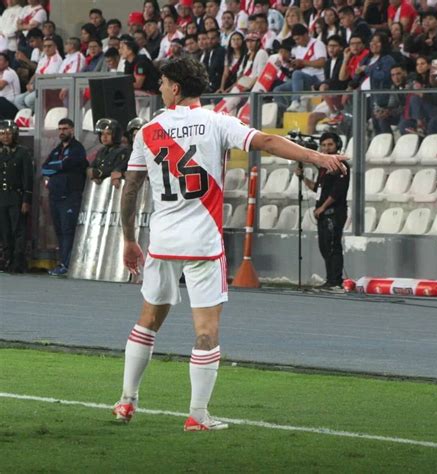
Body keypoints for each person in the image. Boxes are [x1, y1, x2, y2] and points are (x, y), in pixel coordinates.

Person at [112, 56, 347, 428]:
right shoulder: (217, 122)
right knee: (206, 331)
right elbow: (267, 141)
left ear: (175, 87)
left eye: (162, 83)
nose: (158, 88)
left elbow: (131, 189)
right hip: (203, 243)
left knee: (147, 322)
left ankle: (126, 400)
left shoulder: (148, 131)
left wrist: (128, 239)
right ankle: (198, 415)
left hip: (162, 242)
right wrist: (316, 156)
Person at [295, 132, 349, 292]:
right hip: (324, 213)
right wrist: (303, 178)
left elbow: (337, 192)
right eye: (324, 145)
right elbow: (318, 188)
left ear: (337, 145)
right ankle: (330, 280)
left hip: (334, 212)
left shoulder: (340, 165)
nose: (326, 148)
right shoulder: (324, 168)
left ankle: (336, 281)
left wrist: (322, 207)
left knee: (333, 246)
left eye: (330, 145)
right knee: (325, 246)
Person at [41, 119, 88, 277]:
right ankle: (63, 262)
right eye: (60, 128)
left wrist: (58, 166)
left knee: (68, 231)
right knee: (60, 231)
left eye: (65, 128)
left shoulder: (78, 149)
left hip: (70, 196)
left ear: (72, 130)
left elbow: (67, 164)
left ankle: (67, 264)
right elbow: (45, 168)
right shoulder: (56, 150)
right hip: (55, 196)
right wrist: (59, 165)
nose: (62, 131)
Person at [0, 120, 33, 273]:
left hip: (16, 196)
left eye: (8, 133)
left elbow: (28, 177)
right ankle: (7, 259)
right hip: (2, 196)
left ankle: (18, 261)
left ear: (14, 134)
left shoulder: (22, 152)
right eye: (2, 134)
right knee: (4, 229)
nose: (5, 137)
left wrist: (26, 200)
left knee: (18, 230)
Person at [273, 24, 327, 112]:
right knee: (278, 90)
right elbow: (299, 66)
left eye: (298, 39)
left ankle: (295, 101)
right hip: (301, 79)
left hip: (316, 79)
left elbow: (322, 63)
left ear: (306, 35)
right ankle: (284, 113)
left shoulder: (317, 44)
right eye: (295, 40)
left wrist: (303, 62)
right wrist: (291, 64)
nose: (297, 42)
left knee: (297, 74)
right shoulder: (298, 48)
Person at [88, 119, 130, 189]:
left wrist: (98, 173)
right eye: (102, 134)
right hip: (100, 190)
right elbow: (91, 168)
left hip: (114, 190)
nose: (104, 137)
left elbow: (116, 170)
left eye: (108, 134)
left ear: (116, 135)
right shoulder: (101, 151)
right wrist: (92, 174)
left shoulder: (123, 152)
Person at [0, 53, 21, 120]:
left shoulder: (8, 72)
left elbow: (1, 86)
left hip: (12, 104)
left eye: (0, 60)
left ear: (7, 63)